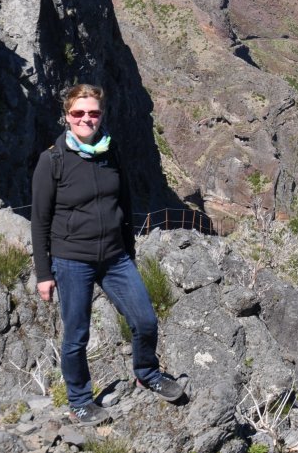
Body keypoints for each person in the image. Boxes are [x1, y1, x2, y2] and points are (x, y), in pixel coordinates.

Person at [31, 83, 184, 425]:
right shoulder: (52, 160)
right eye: (78, 113)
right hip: (72, 260)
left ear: (102, 115)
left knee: (144, 320)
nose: (86, 118)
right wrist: (44, 273)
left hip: (115, 257)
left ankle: (147, 372)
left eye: (93, 112)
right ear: (67, 116)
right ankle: (81, 400)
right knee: (76, 335)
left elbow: (124, 202)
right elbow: (39, 220)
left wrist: (128, 250)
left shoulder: (110, 151)